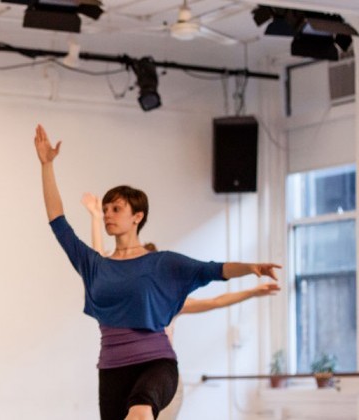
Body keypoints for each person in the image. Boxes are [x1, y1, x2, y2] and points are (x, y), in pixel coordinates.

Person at [33, 124, 280, 420]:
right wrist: (47, 165)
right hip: (111, 371)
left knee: (140, 413)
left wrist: (251, 268)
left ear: (137, 217)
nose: (108, 214)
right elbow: (58, 222)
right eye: (106, 209)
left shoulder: (161, 263)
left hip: (156, 364)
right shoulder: (95, 265)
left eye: (116, 209)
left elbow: (213, 270)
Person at [81, 192, 280, 419]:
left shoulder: (170, 302)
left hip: (157, 378)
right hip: (128, 374)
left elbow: (215, 301)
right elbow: (100, 266)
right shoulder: (123, 292)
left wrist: (252, 291)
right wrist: (95, 218)